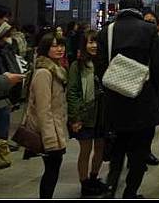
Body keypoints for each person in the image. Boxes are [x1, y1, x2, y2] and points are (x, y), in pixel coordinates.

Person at [96, 0, 159, 199]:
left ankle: (110, 188)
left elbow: (99, 67)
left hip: (114, 101)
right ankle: (130, 192)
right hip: (142, 100)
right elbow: (158, 66)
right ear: (140, 8)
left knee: (116, 151)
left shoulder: (106, 31)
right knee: (139, 152)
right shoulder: (150, 30)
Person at [25, 33, 68, 198]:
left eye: (61, 45)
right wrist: (50, 140)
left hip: (56, 130)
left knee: (53, 170)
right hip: (49, 134)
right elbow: (43, 110)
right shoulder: (44, 73)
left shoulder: (56, 69)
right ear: (45, 49)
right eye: (54, 46)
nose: (60, 49)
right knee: (51, 171)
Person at [67, 30, 108, 197]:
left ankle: (94, 177)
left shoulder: (104, 63)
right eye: (90, 42)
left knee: (100, 148)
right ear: (84, 45)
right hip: (85, 114)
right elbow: (73, 92)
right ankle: (84, 183)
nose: (94, 45)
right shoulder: (77, 66)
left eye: (96, 42)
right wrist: (75, 117)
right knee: (85, 150)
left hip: (103, 113)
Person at [140, 10, 159, 168]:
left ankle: (145, 152)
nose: (149, 24)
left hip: (153, 88)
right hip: (137, 85)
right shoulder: (137, 40)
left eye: (152, 22)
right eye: (146, 21)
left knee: (149, 125)